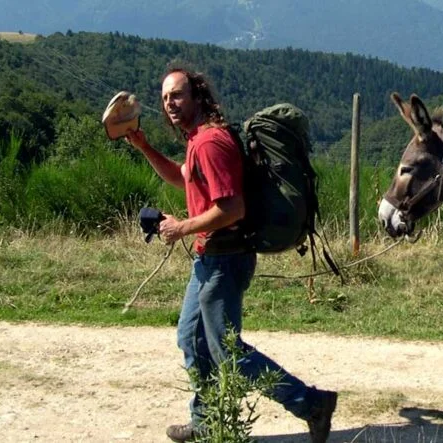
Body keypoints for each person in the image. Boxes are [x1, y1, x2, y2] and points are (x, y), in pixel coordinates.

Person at [126, 67, 337, 443]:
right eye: (164, 98)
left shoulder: (209, 143)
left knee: (228, 351)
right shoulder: (198, 140)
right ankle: (207, 420)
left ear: (197, 97)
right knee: (192, 339)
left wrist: (182, 227)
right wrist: (144, 146)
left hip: (226, 260)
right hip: (210, 258)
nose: (169, 104)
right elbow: (182, 177)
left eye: (176, 95)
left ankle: (311, 404)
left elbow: (233, 208)